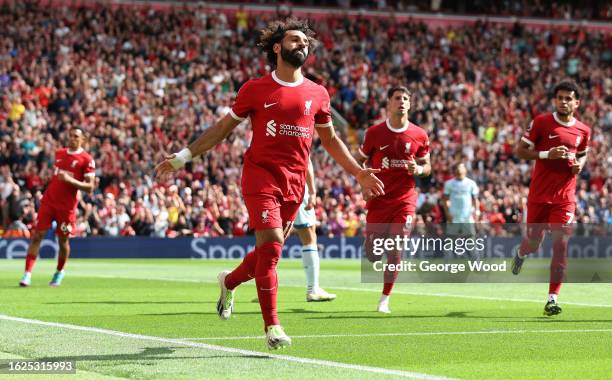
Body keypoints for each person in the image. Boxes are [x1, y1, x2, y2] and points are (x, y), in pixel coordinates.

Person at [155, 18, 383, 349]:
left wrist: (358, 172)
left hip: (295, 184)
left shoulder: (317, 94)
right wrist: (183, 156)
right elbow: (222, 129)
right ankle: (272, 327)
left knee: (268, 253)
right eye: (294, 40)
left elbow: (331, 140)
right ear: (277, 47)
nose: (301, 45)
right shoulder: (255, 89)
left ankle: (229, 281)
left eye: (305, 42)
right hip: (260, 175)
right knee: (273, 243)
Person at [512, 81, 591, 316]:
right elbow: (520, 151)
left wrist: (579, 165)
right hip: (539, 195)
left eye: (568, 98)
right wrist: (546, 153)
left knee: (561, 244)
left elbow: (583, 154)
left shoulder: (584, 130)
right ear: (555, 100)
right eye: (560, 98)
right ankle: (520, 252)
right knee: (534, 242)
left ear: (577, 103)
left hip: (565, 197)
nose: (563, 102)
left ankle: (552, 299)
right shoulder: (541, 122)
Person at [356, 86, 431, 313]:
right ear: (388, 103)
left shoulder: (419, 134)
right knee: (373, 253)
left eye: (405, 99)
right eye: (397, 98)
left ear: (410, 104)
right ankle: (369, 245)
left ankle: (385, 298)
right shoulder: (374, 133)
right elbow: (358, 161)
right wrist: (363, 181)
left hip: (405, 199)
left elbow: (427, 166)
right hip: (379, 198)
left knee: (396, 247)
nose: (402, 102)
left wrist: (418, 169)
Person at [19, 128, 96, 287]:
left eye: (76, 136)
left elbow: (89, 187)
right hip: (49, 202)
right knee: (37, 235)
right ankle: (27, 274)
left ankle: (59, 272)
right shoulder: (59, 153)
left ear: (83, 140)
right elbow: (56, 176)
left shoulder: (87, 160)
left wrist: (69, 180)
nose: (72, 139)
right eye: (70, 136)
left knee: (63, 240)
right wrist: (49, 179)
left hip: (67, 208)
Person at [293, 158, 336, 302]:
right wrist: (312, 190)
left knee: (276, 235)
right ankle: (313, 289)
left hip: (276, 182)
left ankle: (264, 285)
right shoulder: (299, 134)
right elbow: (306, 160)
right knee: (309, 235)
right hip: (296, 182)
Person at [442, 162, 480, 237]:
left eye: (461, 167)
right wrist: (447, 214)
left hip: (467, 217)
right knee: (450, 242)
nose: (459, 169)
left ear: (465, 170)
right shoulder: (449, 184)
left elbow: (475, 199)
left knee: (471, 241)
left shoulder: (471, 183)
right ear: (455, 170)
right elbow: (445, 200)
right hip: (454, 217)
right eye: (457, 167)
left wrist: (477, 212)